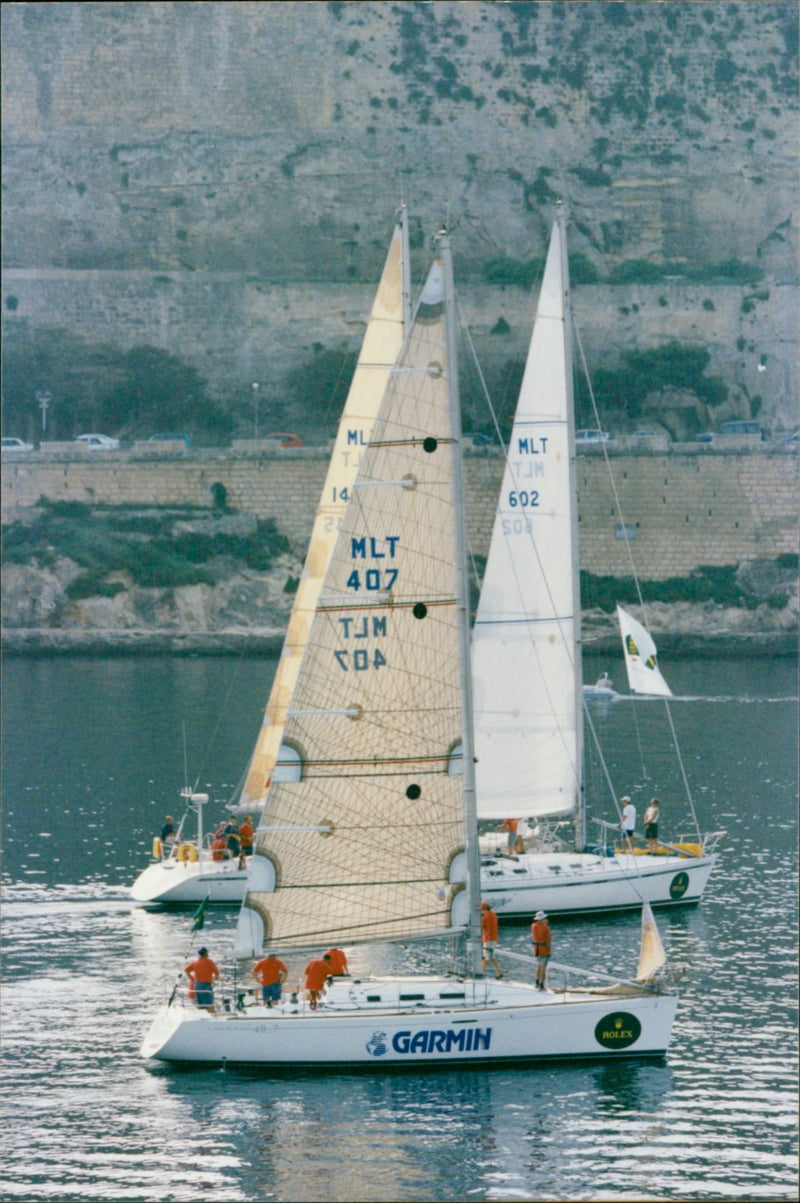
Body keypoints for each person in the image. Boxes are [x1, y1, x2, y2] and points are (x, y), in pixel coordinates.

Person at [185, 946, 220, 1013]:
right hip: (206, 985)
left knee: (200, 1004)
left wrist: (192, 979)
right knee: (209, 1004)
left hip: (197, 985)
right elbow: (217, 972)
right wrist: (215, 978)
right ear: (206, 953)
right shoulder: (209, 962)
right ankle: (211, 1018)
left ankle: (201, 1017)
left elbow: (186, 970)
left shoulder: (195, 962)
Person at [480, 901, 503, 979]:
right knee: (487, 957)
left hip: (488, 938)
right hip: (494, 937)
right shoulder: (494, 915)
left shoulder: (485, 917)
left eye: (482, 910)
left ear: (484, 909)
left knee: (489, 957)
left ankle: (498, 973)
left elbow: (481, 926)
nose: (482, 912)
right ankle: (482, 972)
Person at [530, 910, 551, 990]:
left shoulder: (533, 926)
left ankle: (537, 982)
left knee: (539, 966)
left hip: (536, 949)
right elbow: (548, 941)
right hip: (544, 949)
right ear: (543, 919)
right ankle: (542, 984)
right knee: (543, 968)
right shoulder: (545, 927)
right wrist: (550, 951)